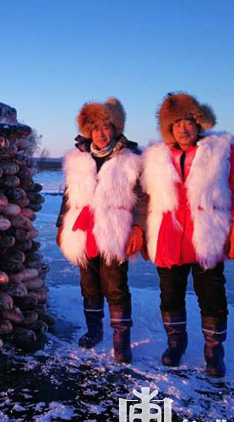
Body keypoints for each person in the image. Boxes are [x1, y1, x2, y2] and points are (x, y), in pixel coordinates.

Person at [141, 92, 234, 377]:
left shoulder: (222, 149)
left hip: (208, 236)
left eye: (187, 121)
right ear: (168, 128)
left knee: (213, 297)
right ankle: (175, 343)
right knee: (170, 297)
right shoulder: (156, 156)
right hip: (168, 238)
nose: (182, 128)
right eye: (175, 123)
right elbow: (145, 198)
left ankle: (214, 350)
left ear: (198, 122)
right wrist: (142, 231)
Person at [56, 98, 146, 363]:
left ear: (115, 128)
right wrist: (62, 225)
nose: (101, 133)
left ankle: (121, 340)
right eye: (95, 128)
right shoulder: (78, 159)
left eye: (106, 127)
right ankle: (94, 330)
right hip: (83, 230)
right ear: (88, 131)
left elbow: (142, 198)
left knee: (116, 286)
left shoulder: (131, 159)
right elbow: (68, 196)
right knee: (89, 285)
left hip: (115, 230)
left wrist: (138, 228)